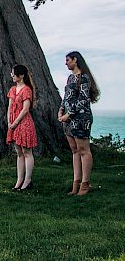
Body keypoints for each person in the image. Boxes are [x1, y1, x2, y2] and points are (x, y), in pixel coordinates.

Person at [58, 51, 100, 196]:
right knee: (75, 150)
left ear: (75, 60)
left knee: (84, 150)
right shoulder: (70, 78)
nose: (66, 63)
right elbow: (66, 97)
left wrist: (68, 114)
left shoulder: (84, 78)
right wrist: (61, 111)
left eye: (68, 60)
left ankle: (85, 184)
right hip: (68, 120)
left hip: (81, 119)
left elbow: (83, 99)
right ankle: (76, 183)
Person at [6, 64, 38, 191]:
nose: (12, 75)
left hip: (24, 123)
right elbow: (9, 107)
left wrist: (15, 123)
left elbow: (25, 109)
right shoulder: (13, 89)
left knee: (27, 152)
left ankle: (28, 180)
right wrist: (9, 121)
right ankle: (19, 180)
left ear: (21, 75)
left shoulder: (26, 90)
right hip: (13, 123)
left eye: (14, 73)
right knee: (19, 153)